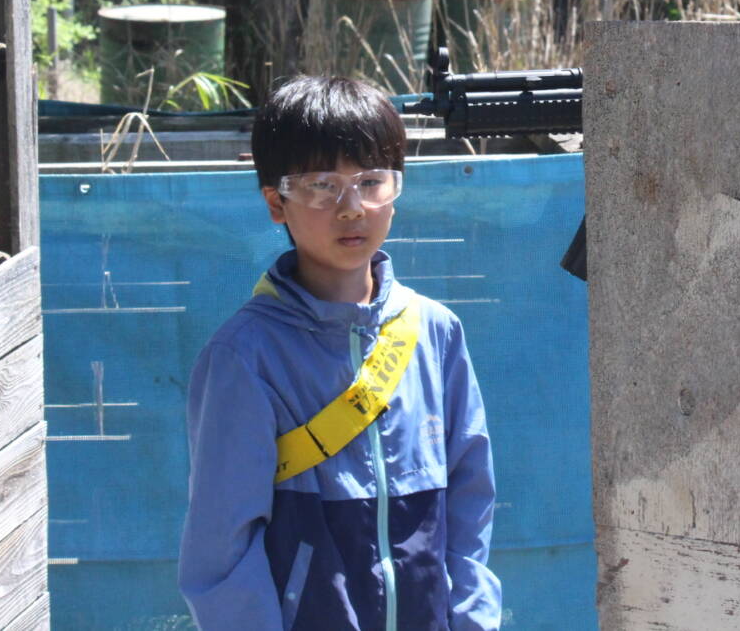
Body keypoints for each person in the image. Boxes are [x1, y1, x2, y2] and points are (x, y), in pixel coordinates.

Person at [179, 75, 501, 630]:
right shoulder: (244, 356)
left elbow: (470, 504)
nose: (352, 208)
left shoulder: (436, 332)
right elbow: (221, 551)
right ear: (276, 203)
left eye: (372, 182)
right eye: (322, 186)